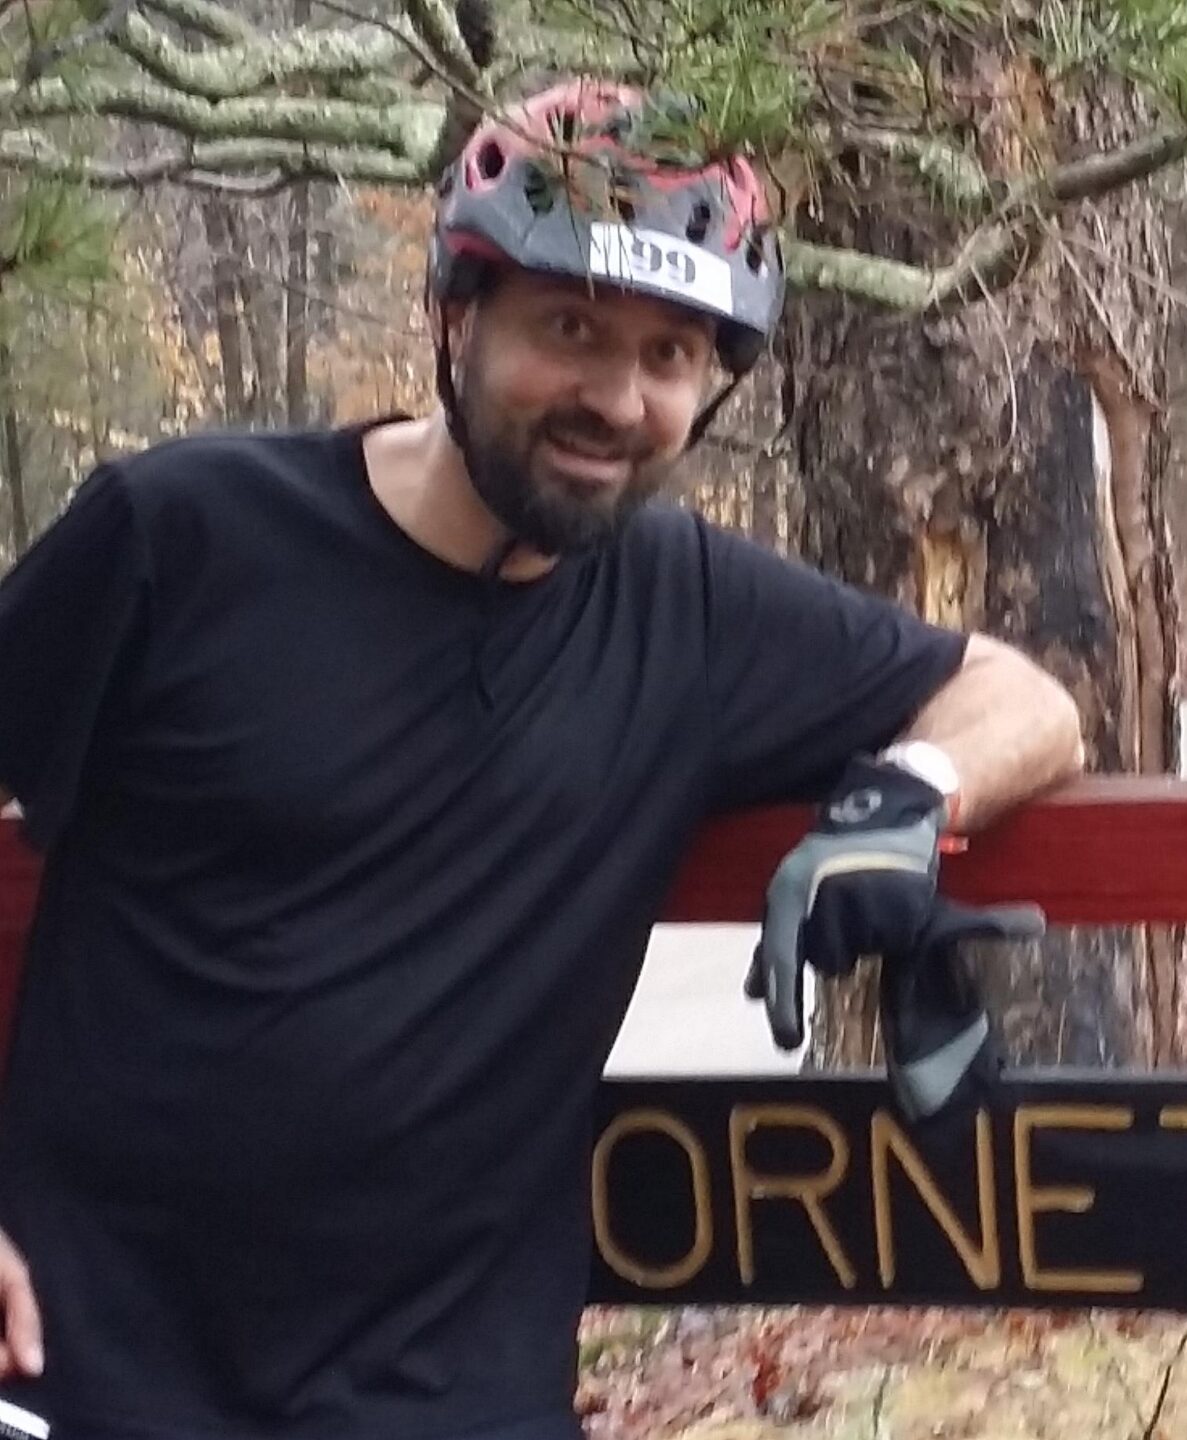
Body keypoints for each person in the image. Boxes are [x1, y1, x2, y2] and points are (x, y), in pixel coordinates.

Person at [0, 78, 1084, 1439]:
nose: (616, 399)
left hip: (451, 1404)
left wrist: (906, 801)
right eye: (569, 328)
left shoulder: (695, 611)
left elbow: (1024, 697)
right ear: (455, 318)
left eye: (672, 354)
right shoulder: (185, 536)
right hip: (87, 1376)